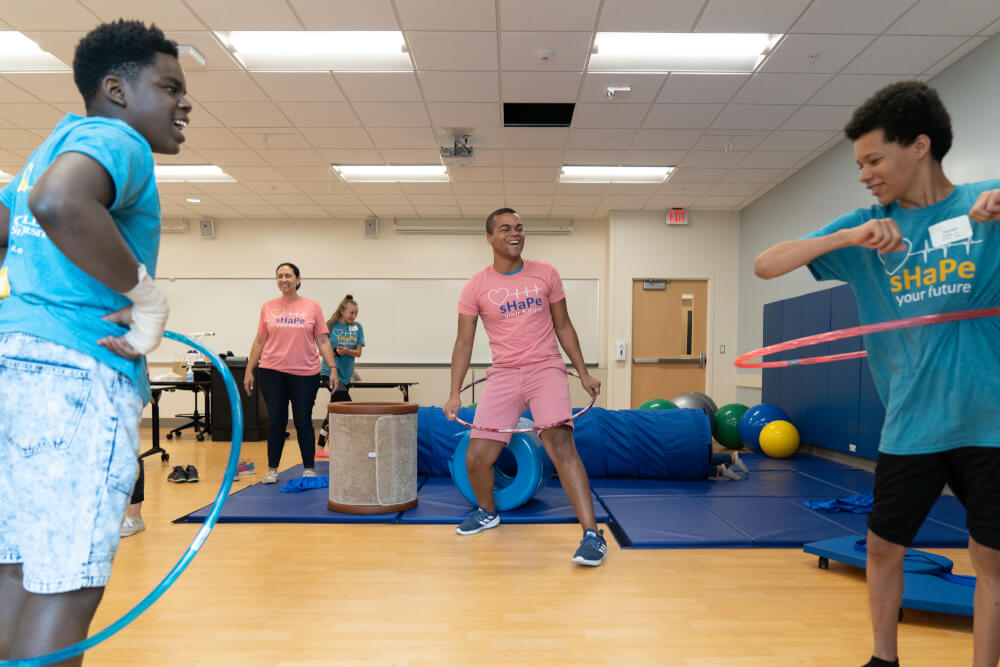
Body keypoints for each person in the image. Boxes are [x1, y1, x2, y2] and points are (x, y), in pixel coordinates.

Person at [754, 81, 1000, 667]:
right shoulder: (865, 227)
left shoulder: (984, 205)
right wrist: (847, 235)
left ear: (919, 146)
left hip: (989, 421)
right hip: (911, 424)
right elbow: (766, 265)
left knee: (990, 558)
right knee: (884, 548)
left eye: (873, 160)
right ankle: (883, 660)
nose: (864, 174)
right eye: (859, 163)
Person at [0, 19, 188, 664]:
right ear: (116, 89)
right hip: (76, 375)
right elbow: (59, 204)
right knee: (64, 589)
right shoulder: (118, 137)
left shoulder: (49, 148)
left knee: (15, 574)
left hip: (15, 368)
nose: (184, 102)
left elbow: (15, 220)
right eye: (169, 87)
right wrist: (146, 298)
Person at [443, 208, 607, 566]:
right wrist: (455, 392)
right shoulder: (476, 285)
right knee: (476, 457)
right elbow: (463, 343)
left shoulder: (546, 274)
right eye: (504, 229)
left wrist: (583, 372)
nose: (514, 233)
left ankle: (593, 535)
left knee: (559, 443)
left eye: (518, 228)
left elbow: (564, 326)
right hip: (503, 374)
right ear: (489, 238)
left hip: (545, 367)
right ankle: (488, 511)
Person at [244, 263, 337, 485]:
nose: (284, 279)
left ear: (298, 279)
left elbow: (322, 340)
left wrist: (332, 368)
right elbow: (260, 340)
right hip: (271, 371)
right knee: (276, 420)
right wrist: (249, 369)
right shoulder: (268, 307)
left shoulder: (312, 306)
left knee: (303, 420)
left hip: (305, 373)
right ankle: (272, 469)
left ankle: (308, 469)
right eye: (279, 276)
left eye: (288, 275)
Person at [316, 294, 365, 458]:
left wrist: (346, 351)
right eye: (351, 313)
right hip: (329, 373)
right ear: (343, 311)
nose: (354, 316)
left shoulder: (358, 328)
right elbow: (321, 348)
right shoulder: (331, 326)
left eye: (356, 313)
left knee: (334, 409)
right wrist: (335, 351)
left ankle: (321, 446)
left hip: (345, 376)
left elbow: (358, 353)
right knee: (347, 407)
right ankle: (354, 444)